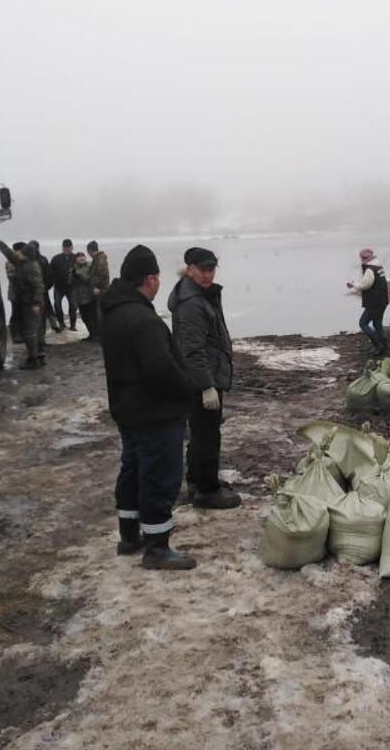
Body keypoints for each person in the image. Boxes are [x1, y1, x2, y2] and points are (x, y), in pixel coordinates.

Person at [101, 244, 197, 569]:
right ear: (151, 279)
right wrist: (188, 391)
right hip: (155, 413)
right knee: (160, 477)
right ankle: (157, 548)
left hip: (129, 411)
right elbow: (161, 370)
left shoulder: (114, 313)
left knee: (133, 471)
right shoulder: (142, 319)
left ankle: (129, 537)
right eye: (157, 277)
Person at [168, 246, 239, 509]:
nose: (209, 274)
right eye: (204, 269)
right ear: (191, 269)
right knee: (207, 433)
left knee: (202, 430)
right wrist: (206, 385)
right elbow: (192, 349)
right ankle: (207, 491)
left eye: (212, 269)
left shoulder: (200, 293)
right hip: (202, 378)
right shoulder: (191, 304)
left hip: (207, 373)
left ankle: (197, 480)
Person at [0, 237, 46, 368]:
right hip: (25, 301)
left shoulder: (32, 268)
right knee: (33, 329)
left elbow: (38, 286)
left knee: (32, 331)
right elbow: (8, 252)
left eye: (21, 252)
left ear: (26, 255)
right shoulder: (20, 261)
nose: (18, 253)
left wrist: (36, 304)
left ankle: (34, 359)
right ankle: (39, 355)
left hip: (32, 302)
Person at [347, 248, 389, 355]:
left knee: (363, 323)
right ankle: (383, 345)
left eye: (362, 258)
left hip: (374, 302)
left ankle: (378, 345)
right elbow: (369, 282)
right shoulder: (378, 266)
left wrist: (353, 285)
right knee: (377, 323)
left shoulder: (370, 269)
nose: (361, 260)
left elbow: (365, 285)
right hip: (382, 300)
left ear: (363, 258)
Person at [80, 240, 110, 340]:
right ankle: (98, 335)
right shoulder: (97, 259)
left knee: (100, 313)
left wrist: (97, 287)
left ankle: (102, 336)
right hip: (98, 290)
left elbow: (102, 275)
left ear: (89, 251)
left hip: (101, 290)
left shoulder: (100, 260)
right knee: (96, 312)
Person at [50, 238, 79, 331]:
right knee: (57, 305)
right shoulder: (56, 259)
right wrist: (53, 282)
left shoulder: (76, 258)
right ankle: (61, 323)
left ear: (72, 247)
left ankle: (73, 325)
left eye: (69, 248)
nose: (67, 250)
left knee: (73, 305)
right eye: (65, 248)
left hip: (72, 287)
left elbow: (82, 270)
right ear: (62, 248)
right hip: (59, 287)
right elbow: (50, 272)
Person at [31, 240, 58, 334]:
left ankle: (50, 326)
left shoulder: (35, 260)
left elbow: (48, 274)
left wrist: (47, 286)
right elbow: (49, 274)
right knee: (47, 307)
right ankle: (53, 325)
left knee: (43, 308)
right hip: (42, 287)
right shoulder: (42, 259)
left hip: (39, 288)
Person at [71, 251, 94, 319]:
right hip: (79, 298)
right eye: (79, 257)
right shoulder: (74, 268)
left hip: (90, 297)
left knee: (93, 317)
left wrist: (81, 277)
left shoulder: (91, 266)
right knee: (85, 318)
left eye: (82, 256)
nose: (81, 258)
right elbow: (70, 283)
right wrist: (73, 276)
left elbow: (92, 279)